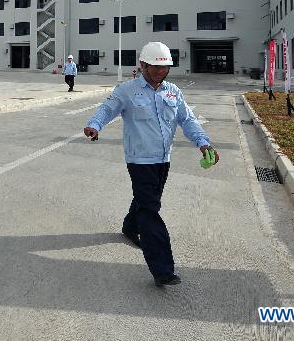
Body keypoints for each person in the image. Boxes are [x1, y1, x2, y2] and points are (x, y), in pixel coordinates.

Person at [83, 41, 218, 287]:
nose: (159, 72)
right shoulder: (127, 90)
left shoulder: (173, 92)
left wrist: (203, 142)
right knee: (150, 209)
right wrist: (95, 125)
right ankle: (162, 268)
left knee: (146, 200)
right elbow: (107, 108)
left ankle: (129, 226)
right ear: (142, 65)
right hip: (138, 160)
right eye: (155, 67)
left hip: (163, 159)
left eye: (164, 67)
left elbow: (187, 120)